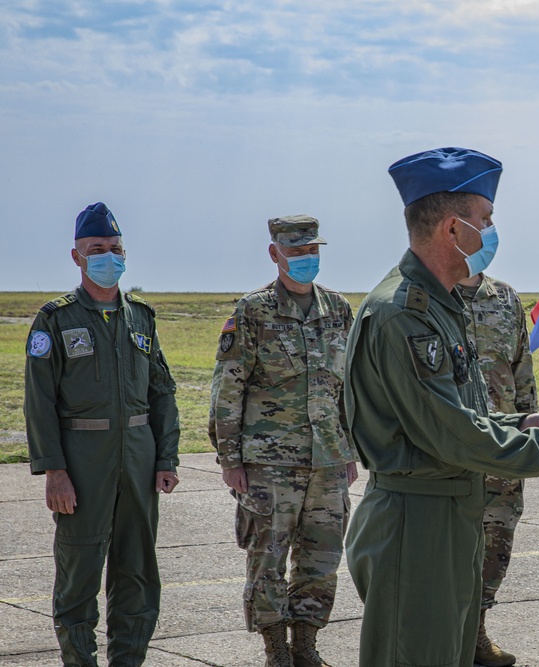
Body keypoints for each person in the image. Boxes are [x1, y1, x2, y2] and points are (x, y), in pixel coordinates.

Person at [344, 146, 539, 667]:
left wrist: (530, 422)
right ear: (454, 230)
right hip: (418, 522)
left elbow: (462, 416)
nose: (492, 232)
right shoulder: (405, 315)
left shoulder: (442, 304)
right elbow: (453, 436)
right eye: (486, 220)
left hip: (448, 512)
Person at [23, 202, 181, 667]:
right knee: (79, 574)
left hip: (137, 458)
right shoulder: (56, 320)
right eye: (96, 249)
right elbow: (39, 402)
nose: (107, 256)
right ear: (77, 257)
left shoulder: (141, 318)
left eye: (114, 249)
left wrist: (166, 458)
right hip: (82, 461)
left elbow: (162, 393)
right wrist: (54, 471)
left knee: (137, 572)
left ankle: (129, 660)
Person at [208, 215, 358, 667]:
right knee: (267, 559)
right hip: (268, 462)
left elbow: (348, 388)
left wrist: (349, 450)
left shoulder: (338, 308)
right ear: (275, 254)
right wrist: (230, 459)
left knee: (322, 557)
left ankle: (306, 646)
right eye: (295, 251)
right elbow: (228, 388)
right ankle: (276, 649)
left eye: (311, 250)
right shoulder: (253, 311)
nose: (305, 258)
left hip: (328, 460)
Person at [455, 271, 536, 666]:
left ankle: (476, 633)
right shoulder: (428, 293)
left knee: (496, 542)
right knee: (447, 546)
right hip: (450, 449)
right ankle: (443, 635)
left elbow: (522, 367)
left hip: (503, 449)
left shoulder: (505, 297)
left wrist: (532, 433)